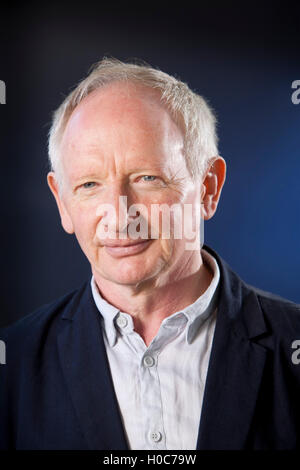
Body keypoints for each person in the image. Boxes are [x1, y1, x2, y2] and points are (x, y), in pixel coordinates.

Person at [0, 58, 300, 450]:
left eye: (147, 178)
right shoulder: (12, 367)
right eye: (90, 184)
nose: (120, 215)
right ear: (62, 203)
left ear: (208, 188)